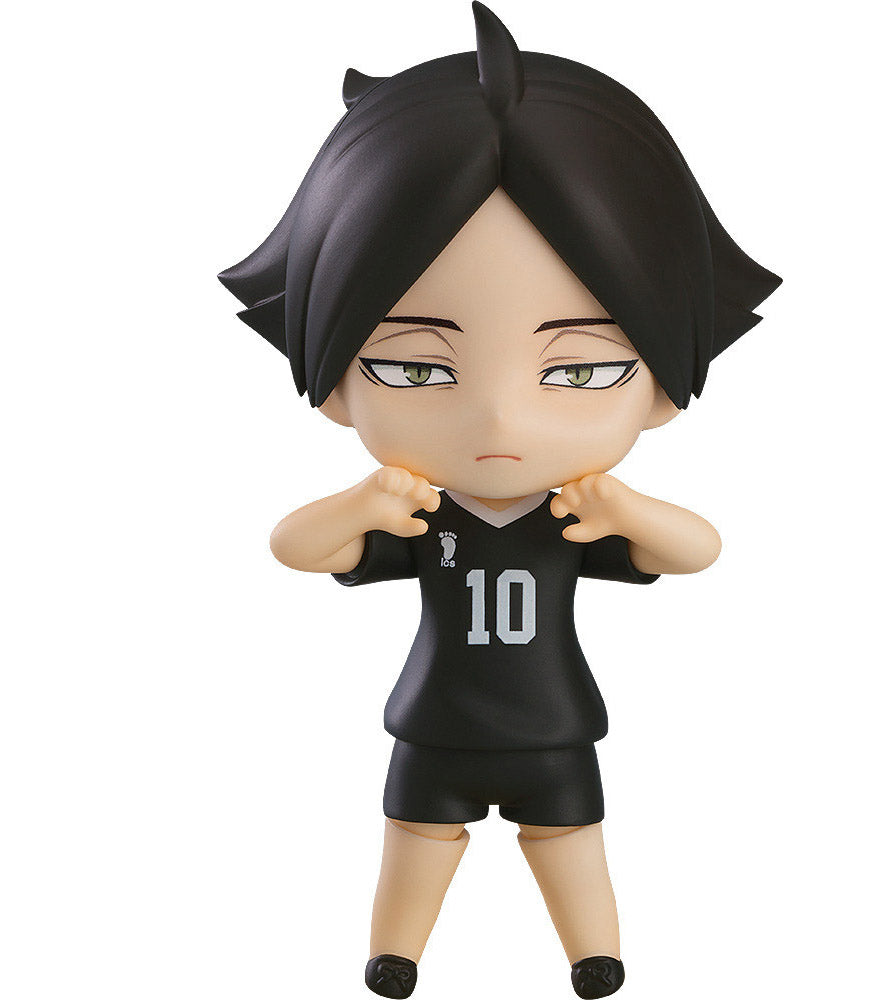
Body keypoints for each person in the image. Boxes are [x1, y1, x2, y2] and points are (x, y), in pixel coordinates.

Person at [219, 5, 780, 997]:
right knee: (414, 838)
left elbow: (699, 548)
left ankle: (594, 956)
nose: (497, 417)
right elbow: (293, 546)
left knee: (570, 838)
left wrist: (630, 510)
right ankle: (394, 956)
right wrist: (360, 501)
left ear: (662, 386)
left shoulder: (578, 513)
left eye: (579, 371)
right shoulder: (414, 512)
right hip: (431, 726)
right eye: (415, 368)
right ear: (333, 381)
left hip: (555, 727)